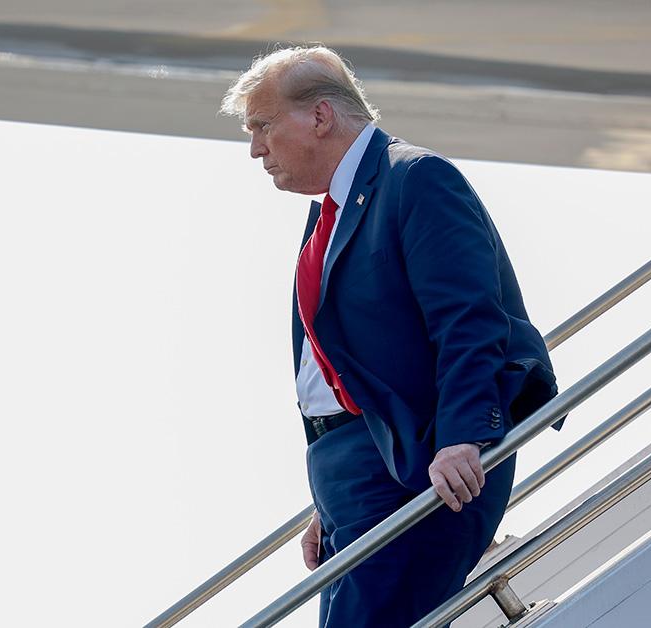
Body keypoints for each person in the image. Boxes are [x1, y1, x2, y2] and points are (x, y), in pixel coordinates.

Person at [220, 46, 560, 627]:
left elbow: (469, 320)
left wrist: (463, 438)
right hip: (354, 473)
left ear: (320, 117)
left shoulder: (415, 179)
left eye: (262, 125)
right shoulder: (327, 216)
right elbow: (339, 369)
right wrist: (328, 498)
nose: (255, 148)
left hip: (416, 467)